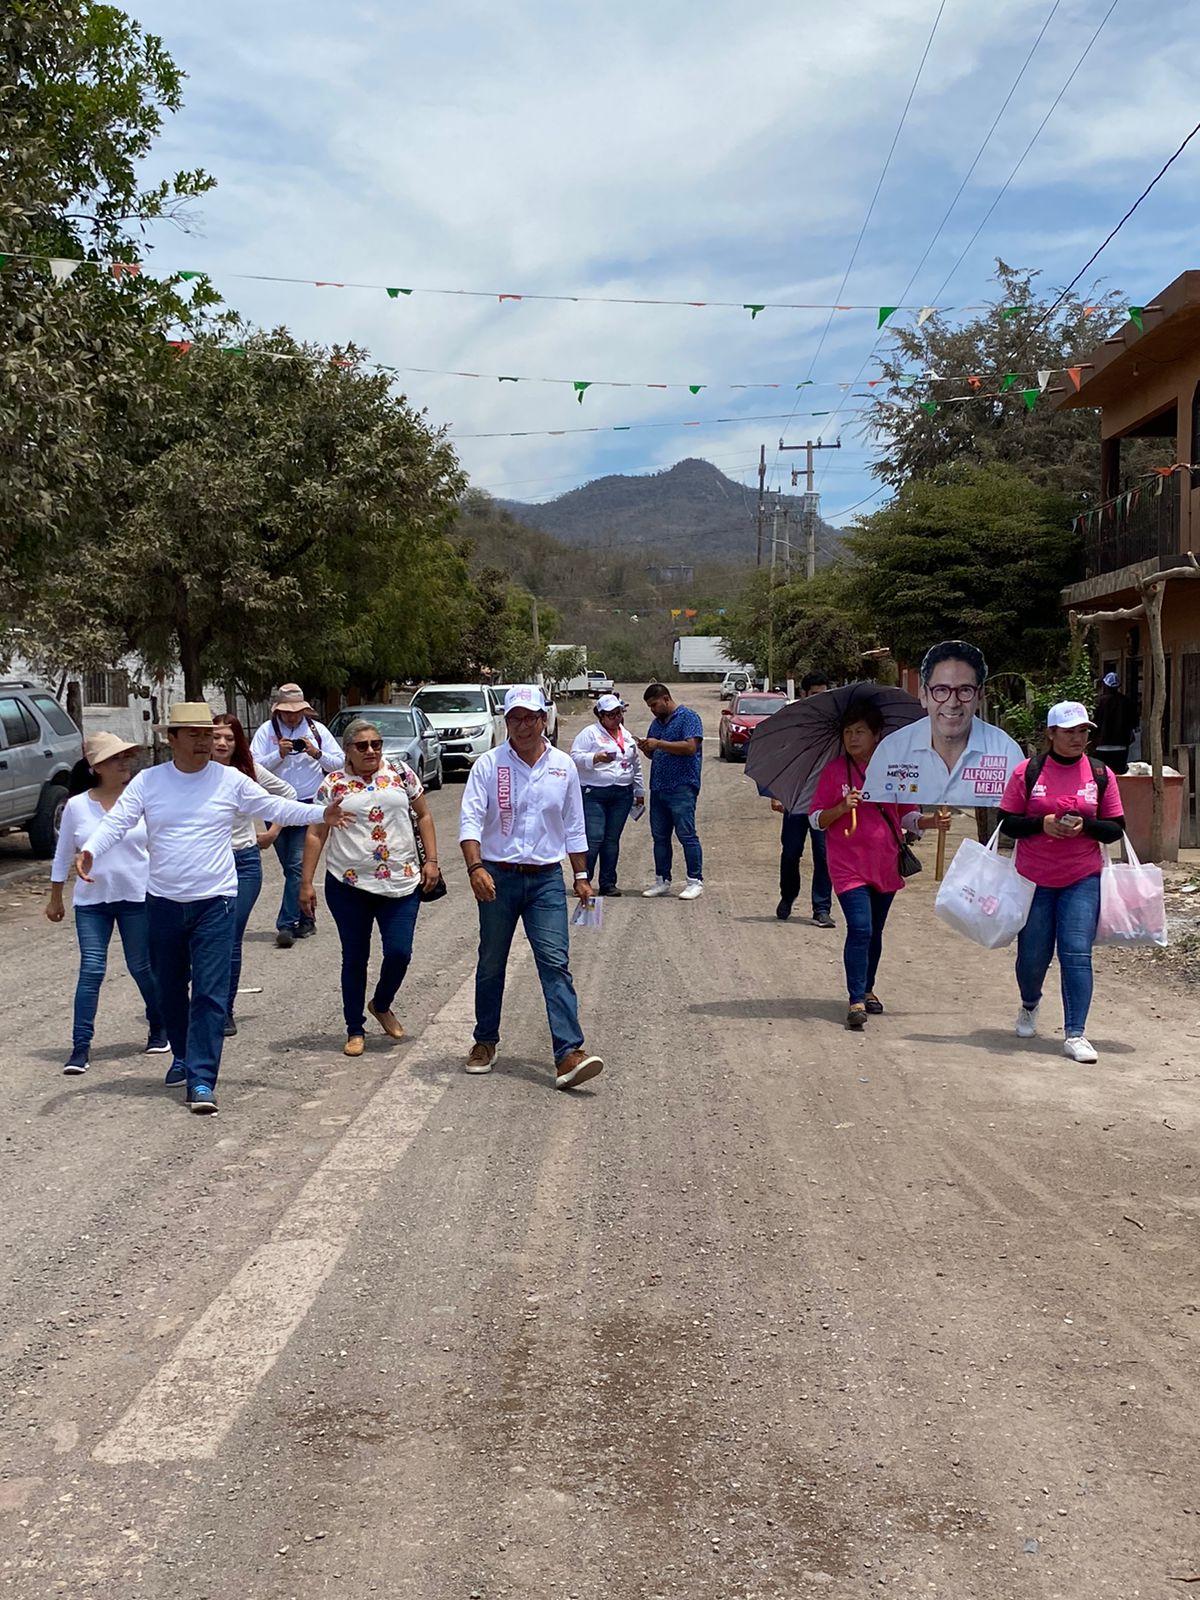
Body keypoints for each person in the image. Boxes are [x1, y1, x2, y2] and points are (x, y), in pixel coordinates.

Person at [76, 703, 355, 1115]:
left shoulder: (229, 780)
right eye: (193, 734)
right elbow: (117, 823)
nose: (205, 741)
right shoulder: (149, 782)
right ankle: (183, 1056)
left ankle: (202, 1078)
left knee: (209, 994)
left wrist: (321, 813)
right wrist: (90, 850)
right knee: (170, 988)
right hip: (164, 903)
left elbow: (274, 807)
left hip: (216, 902)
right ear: (171, 739)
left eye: (207, 734)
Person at [459, 685, 603, 1090]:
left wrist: (581, 876)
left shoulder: (563, 766)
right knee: (491, 962)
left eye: (531, 717)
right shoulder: (488, 765)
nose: (523, 726)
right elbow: (470, 820)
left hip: (545, 881)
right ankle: (484, 1041)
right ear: (506, 722)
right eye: (515, 718)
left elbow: (574, 824)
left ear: (544, 719)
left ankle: (568, 1053)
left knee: (554, 962)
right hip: (497, 878)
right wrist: (475, 868)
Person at [299, 718, 440, 1057]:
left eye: (375, 744)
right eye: (362, 746)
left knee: (399, 952)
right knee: (355, 957)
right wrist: (305, 883)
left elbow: (423, 815)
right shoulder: (332, 784)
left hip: (401, 881)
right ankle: (354, 1027)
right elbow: (316, 833)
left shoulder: (401, 773)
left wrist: (432, 860)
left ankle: (382, 1002)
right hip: (348, 885)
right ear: (347, 750)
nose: (371, 751)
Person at [999, 700, 1125, 1064]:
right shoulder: (1029, 771)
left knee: (1075, 953)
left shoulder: (1101, 774)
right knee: (1033, 957)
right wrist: (1042, 823)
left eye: (1083, 731)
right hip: (1034, 879)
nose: (1077, 738)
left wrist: (1086, 826)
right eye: (1069, 732)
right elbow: (1007, 822)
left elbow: (1116, 828)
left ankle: (1075, 1033)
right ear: (1051, 734)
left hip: (1082, 878)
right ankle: (1029, 1004)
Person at [811, 700, 949, 1029]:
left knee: (875, 932)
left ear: (877, 735)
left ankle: (868, 988)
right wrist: (841, 807)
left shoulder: (896, 769)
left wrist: (932, 822)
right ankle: (856, 997)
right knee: (860, 927)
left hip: (885, 863)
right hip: (847, 866)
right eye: (847, 732)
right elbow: (816, 819)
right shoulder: (834, 772)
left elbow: (909, 817)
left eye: (860, 731)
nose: (852, 738)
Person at [45, 734, 167, 1075]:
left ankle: (159, 1027)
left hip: (137, 898)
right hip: (92, 902)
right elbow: (63, 854)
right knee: (91, 971)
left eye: (127, 757)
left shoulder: (141, 802)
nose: (124, 763)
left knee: (142, 967)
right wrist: (55, 896)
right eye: (116, 759)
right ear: (96, 767)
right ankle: (80, 1047)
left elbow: (159, 847)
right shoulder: (77, 806)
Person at [211, 714, 296, 1037]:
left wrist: (273, 831)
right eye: (216, 737)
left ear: (237, 742)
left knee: (230, 935)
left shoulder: (248, 772)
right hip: (208, 864)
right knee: (205, 937)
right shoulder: (197, 773)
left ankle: (224, 1009)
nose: (222, 743)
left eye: (229, 738)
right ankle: (203, 1000)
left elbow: (287, 793)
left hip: (244, 863)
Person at [861, 640, 1022, 807]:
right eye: (941, 690)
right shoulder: (892, 750)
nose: (952, 703)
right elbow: (876, 815)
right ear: (924, 696)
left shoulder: (1006, 751)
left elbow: (1016, 819)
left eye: (965, 690)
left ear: (980, 695)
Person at [249, 684, 342, 948]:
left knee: (296, 866)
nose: (291, 717)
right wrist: (278, 754)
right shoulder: (266, 732)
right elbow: (252, 767)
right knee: (291, 866)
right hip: (276, 807)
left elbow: (340, 762)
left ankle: (286, 925)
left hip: (309, 806)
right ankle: (307, 917)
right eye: (287, 712)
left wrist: (316, 752)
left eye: (296, 712)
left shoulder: (317, 731)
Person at [775, 671, 834, 927]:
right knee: (790, 853)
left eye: (824, 693)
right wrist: (778, 794)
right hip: (796, 801)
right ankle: (787, 896)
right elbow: (782, 761)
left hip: (826, 804)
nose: (820, 699)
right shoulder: (794, 723)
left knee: (824, 856)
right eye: (814, 694)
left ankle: (821, 908)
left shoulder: (836, 724)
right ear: (803, 694)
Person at [569, 694, 645, 896]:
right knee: (594, 838)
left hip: (622, 793)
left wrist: (639, 791)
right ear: (601, 716)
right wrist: (595, 758)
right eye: (610, 715)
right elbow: (574, 757)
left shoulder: (626, 736)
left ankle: (608, 882)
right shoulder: (590, 734)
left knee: (612, 840)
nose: (615, 718)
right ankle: (584, 881)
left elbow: (635, 764)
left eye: (618, 714)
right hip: (594, 792)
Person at [637, 683, 705, 900]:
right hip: (659, 787)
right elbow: (655, 753)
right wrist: (648, 748)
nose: (653, 710)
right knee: (659, 836)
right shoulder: (656, 724)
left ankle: (695, 881)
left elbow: (690, 747)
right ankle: (662, 879)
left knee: (686, 834)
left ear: (666, 699)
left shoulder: (688, 718)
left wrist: (659, 744)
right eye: (649, 707)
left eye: (654, 705)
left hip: (682, 786)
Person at [1092, 672, 1137, 776]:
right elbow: (1134, 723)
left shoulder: (1098, 702)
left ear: (1105, 685)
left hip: (1100, 746)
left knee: (1100, 775)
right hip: (1121, 746)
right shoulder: (1126, 702)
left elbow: (1093, 722)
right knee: (1118, 775)